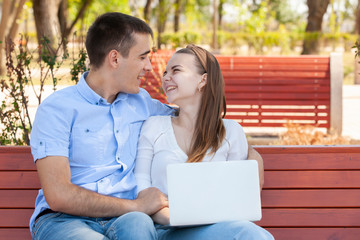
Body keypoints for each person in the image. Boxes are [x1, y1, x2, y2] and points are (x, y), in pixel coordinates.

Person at [29, 12, 173, 240]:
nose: (149, 67)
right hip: (65, 220)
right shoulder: (56, 109)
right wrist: (137, 206)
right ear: (115, 59)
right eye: (143, 57)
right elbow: (59, 195)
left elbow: (194, 119)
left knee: (138, 225)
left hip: (130, 219)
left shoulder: (142, 102)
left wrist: (248, 153)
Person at [134, 44, 274, 240]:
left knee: (250, 234)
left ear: (203, 80)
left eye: (176, 70)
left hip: (216, 229)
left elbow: (239, 200)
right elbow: (142, 191)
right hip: (167, 230)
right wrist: (173, 217)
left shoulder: (231, 132)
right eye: (165, 72)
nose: (166, 77)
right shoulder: (154, 127)